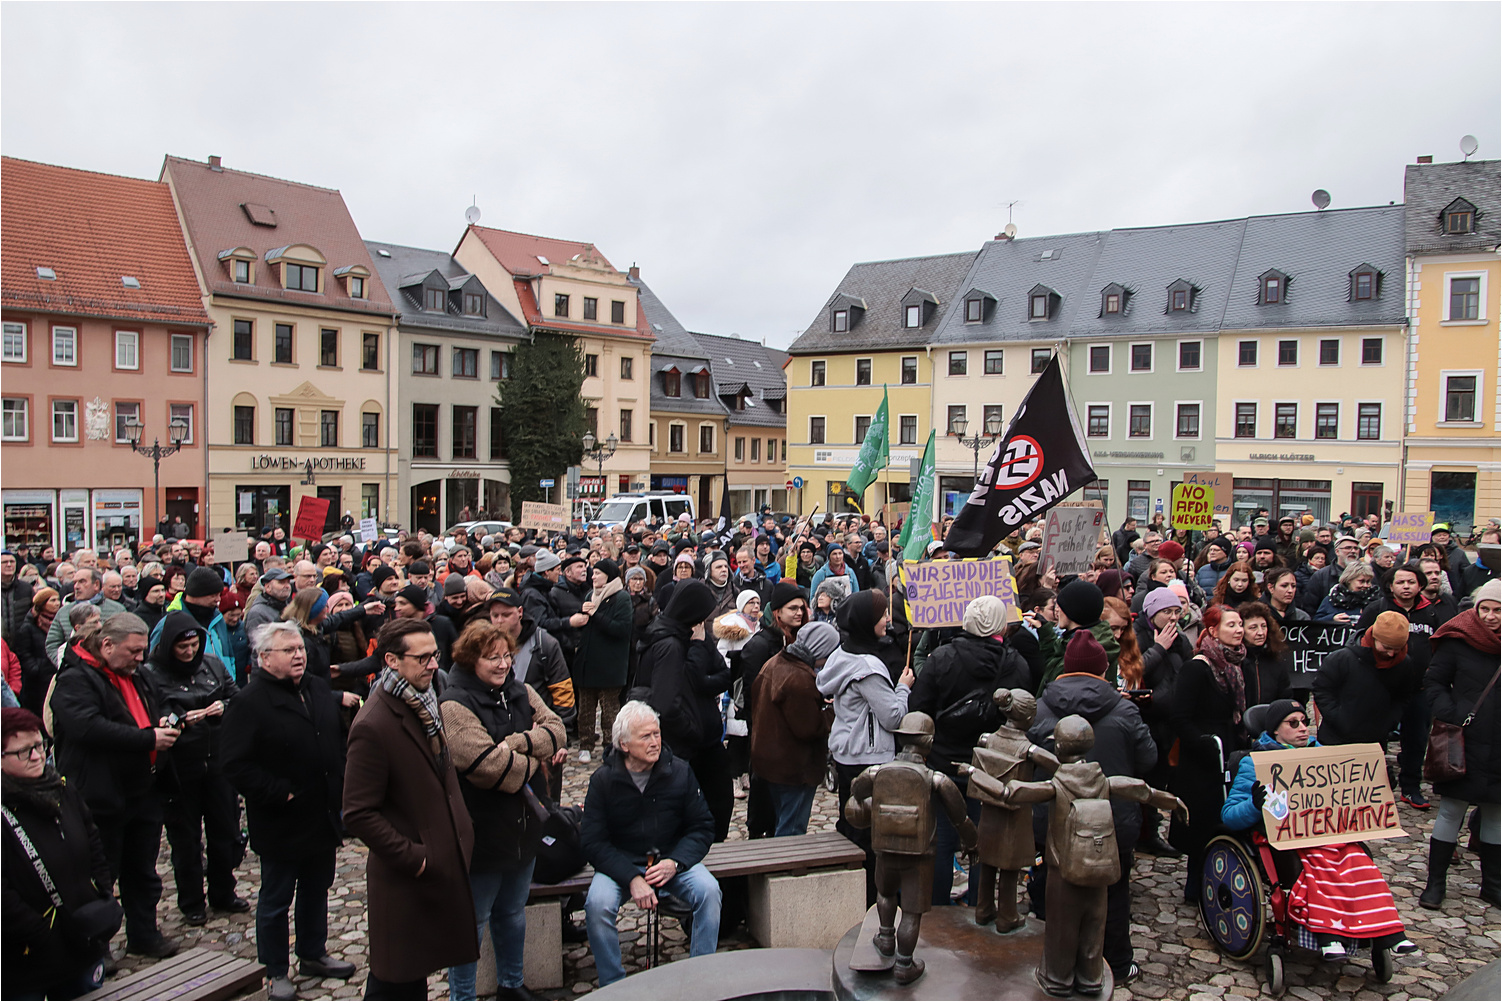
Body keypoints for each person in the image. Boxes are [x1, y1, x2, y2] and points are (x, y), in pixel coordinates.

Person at [221, 622, 359, 1001]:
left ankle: (313, 953)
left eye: (300, 648)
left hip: (322, 810)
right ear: (265, 658)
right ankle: (275, 969)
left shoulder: (316, 687)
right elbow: (234, 763)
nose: (299, 655)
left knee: (317, 889)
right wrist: (277, 793)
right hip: (282, 817)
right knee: (276, 899)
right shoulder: (249, 702)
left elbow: (334, 738)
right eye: (289, 650)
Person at [1220, 700, 1419, 960]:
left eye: (1305, 722)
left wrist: (1380, 783)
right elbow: (1229, 816)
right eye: (1293, 723)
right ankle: (1329, 935)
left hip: (1329, 832)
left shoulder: (1323, 756)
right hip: (1288, 838)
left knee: (1359, 861)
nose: (1303, 728)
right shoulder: (1254, 763)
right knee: (1320, 866)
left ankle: (1388, 932)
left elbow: (1350, 795)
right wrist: (1255, 805)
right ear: (1275, 731)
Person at [342, 620, 478, 999]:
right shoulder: (374, 723)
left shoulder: (425, 699)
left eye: (434, 655)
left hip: (441, 862)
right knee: (396, 980)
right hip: (407, 877)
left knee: (415, 975)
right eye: (422, 658)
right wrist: (415, 858)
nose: (433, 664)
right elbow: (357, 812)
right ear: (391, 660)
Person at [440, 621, 566, 1001]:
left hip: (523, 825)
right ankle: (463, 996)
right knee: (473, 921)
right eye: (491, 657)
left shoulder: (521, 690)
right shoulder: (454, 704)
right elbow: (485, 766)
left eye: (506, 655)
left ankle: (511, 985)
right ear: (469, 659)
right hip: (480, 829)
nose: (501, 664)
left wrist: (516, 742)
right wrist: (534, 761)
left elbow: (558, 729)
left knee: (512, 913)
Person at [1031, 632, 1159, 987]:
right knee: (1112, 893)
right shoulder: (1124, 708)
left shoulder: (1040, 708)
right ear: (1105, 669)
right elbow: (1148, 759)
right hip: (1111, 820)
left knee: (1050, 889)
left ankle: (1046, 959)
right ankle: (1115, 963)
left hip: (1054, 820)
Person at [48, 613, 180, 958]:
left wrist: (163, 717)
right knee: (99, 873)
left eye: (143, 651)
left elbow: (158, 699)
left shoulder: (137, 674)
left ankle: (144, 933)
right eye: (133, 651)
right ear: (107, 646)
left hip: (142, 790)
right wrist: (146, 737)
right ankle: (98, 946)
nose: (141, 658)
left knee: (142, 869)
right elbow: (87, 728)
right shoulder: (75, 680)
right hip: (99, 794)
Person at [581, 701, 721, 987]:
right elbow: (593, 841)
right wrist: (631, 878)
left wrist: (675, 863)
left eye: (657, 734)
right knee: (597, 904)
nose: (655, 742)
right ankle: (613, 985)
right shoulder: (603, 781)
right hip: (621, 863)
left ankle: (701, 977)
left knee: (709, 891)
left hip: (671, 858)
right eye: (646, 736)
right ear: (624, 744)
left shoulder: (680, 772)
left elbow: (702, 826)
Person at [909, 595, 1029, 905]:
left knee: (942, 842)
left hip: (943, 761)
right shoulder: (1015, 663)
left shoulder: (941, 658)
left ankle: (936, 910)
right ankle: (982, 906)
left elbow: (919, 709)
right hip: (992, 765)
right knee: (986, 841)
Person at [2, 706, 121, 999]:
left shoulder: (60, 789)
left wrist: (101, 888)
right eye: (23, 751)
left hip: (80, 939)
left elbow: (91, 838)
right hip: (26, 955)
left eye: (40, 745)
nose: (37, 756)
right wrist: (42, 932)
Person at [140, 611, 246, 926]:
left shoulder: (211, 665)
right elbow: (153, 712)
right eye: (181, 647)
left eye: (193, 645)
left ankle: (223, 891)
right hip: (179, 765)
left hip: (216, 760)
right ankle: (191, 900)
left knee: (223, 830)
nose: (188, 652)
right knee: (185, 838)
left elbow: (235, 697)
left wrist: (222, 708)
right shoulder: (152, 674)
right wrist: (184, 718)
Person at [819, 590, 913, 903]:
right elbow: (893, 717)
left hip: (848, 754)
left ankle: (854, 896)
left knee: (851, 823)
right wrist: (903, 687)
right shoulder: (868, 668)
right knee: (870, 836)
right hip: (870, 758)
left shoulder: (841, 655)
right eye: (882, 615)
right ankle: (873, 901)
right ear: (865, 622)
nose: (888, 620)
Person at [1419, 579, 1500, 909]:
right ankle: (1435, 883)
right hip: (1463, 739)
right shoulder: (1458, 639)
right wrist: (1451, 714)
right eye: (1485, 609)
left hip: (1499, 746)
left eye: (1498, 610)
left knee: (1496, 814)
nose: (1491, 616)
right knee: (1451, 811)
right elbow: (1434, 681)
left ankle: (1492, 884)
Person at [636, 580, 733, 842]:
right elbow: (667, 704)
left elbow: (723, 674)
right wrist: (694, 731)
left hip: (695, 743)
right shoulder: (671, 643)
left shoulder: (677, 635)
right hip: (685, 747)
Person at [1169, 604, 1248, 902]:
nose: (1239, 630)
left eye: (1240, 624)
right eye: (1232, 625)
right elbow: (1179, 717)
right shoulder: (1197, 668)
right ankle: (1196, 887)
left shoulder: (1237, 666)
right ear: (1213, 630)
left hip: (1231, 750)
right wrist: (1203, 743)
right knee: (1203, 825)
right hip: (1202, 756)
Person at [748, 621, 839, 836]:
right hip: (794, 769)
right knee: (791, 830)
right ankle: (785, 868)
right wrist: (833, 711)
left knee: (783, 821)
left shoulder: (775, 663)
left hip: (771, 763)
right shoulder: (799, 678)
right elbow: (809, 728)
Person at [1312, 611, 1422, 749]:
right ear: (1374, 638)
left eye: (1397, 649)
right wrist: (1338, 718)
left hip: (1375, 738)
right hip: (1336, 737)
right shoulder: (1342, 659)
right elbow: (1322, 690)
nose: (1391, 654)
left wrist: (1389, 722)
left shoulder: (1403, 663)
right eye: (1387, 647)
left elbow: (1402, 696)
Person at [574, 559, 633, 765]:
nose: (593, 577)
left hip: (610, 665)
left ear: (608, 576)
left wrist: (595, 615)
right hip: (588, 663)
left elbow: (621, 629)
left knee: (609, 712)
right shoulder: (591, 595)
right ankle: (585, 745)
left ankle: (611, 745)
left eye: (597, 573)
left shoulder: (621, 598)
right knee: (586, 711)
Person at [1037, 580, 1119, 690]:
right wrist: (1045, 631)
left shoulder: (1085, 652)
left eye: (1060, 606)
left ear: (1071, 611)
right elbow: (1056, 660)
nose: (1057, 610)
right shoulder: (1098, 639)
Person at [1234, 602, 1294, 707]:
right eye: (1253, 627)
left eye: (1263, 626)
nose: (1261, 632)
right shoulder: (1234, 660)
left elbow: (1285, 696)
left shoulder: (1276, 659)